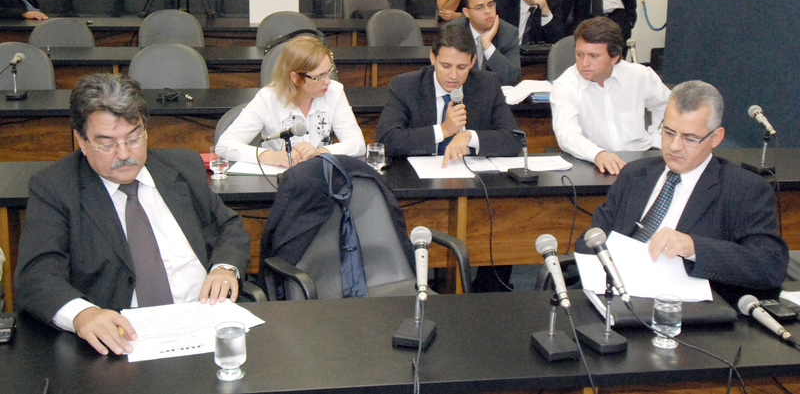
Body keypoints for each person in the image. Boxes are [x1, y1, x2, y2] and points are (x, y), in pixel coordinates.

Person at [14, 73, 250, 356]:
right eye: (107, 143)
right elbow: (36, 275)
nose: (124, 153)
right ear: (82, 141)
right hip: (122, 341)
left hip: (206, 325)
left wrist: (225, 267)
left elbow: (228, 226)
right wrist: (82, 314)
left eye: (133, 138)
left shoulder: (182, 167)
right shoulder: (56, 187)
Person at [576, 80, 789, 303]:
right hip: (615, 295)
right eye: (668, 132)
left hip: (684, 308)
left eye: (689, 138)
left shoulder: (744, 189)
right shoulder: (634, 174)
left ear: (716, 137)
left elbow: (769, 265)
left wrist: (695, 248)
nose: (675, 146)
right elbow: (590, 239)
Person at [376, 24, 522, 166]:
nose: (453, 76)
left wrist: (470, 136)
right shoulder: (406, 86)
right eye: (445, 66)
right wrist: (443, 130)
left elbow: (514, 139)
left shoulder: (488, 84)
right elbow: (386, 140)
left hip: (472, 175)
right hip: (421, 176)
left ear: (472, 62)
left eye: (461, 67)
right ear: (433, 58)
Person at [219, 36, 366, 167]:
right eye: (320, 76)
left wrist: (321, 151)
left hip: (321, 176)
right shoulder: (268, 98)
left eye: (329, 72)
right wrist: (270, 156)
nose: (327, 81)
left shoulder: (334, 91)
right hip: (279, 179)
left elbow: (357, 143)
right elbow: (224, 145)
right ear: (295, 78)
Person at [550, 17, 671, 175]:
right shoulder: (565, 85)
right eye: (579, 55)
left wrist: (657, 141)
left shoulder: (640, 75)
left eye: (594, 56)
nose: (584, 63)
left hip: (640, 160)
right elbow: (566, 133)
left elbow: (668, 106)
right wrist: (597, 154)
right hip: (592, 164)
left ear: (614, 57)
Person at [444, 0, 521, 85]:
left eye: (490, 5)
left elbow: (513, 77)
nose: (488, 11)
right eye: (480, 7)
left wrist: (488, 46)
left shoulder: (508, 32)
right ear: (467, 12)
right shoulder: (452, 32)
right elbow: (446, 74)